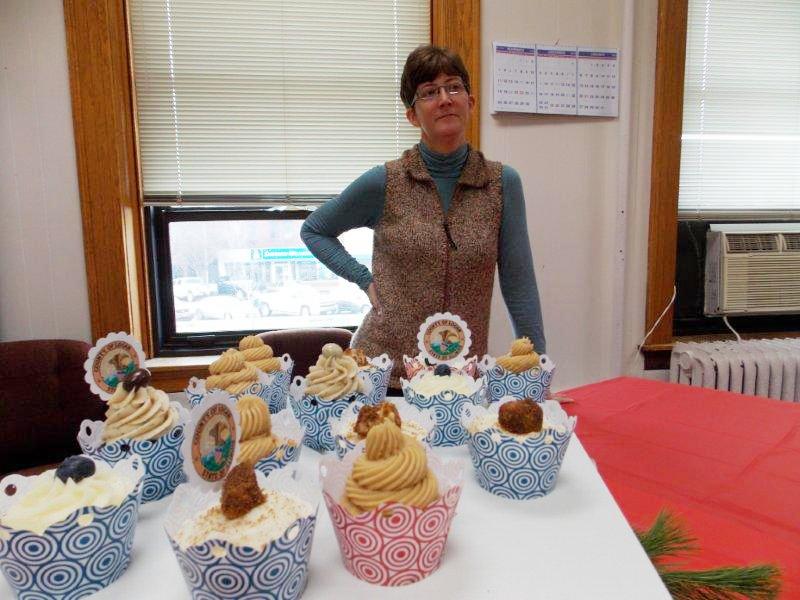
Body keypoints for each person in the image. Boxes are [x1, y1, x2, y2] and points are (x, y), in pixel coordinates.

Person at [301, 45, 545, 388]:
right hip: (385, 375)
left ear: (470, 102)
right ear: (412, 116)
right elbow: (314, 230)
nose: (444, 99)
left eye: (454, 87)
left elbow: (520, 286)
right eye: (429, 92)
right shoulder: (385, 182)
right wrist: (363, 279)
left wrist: (537, 373)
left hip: (462, 379)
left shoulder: (501, 185)